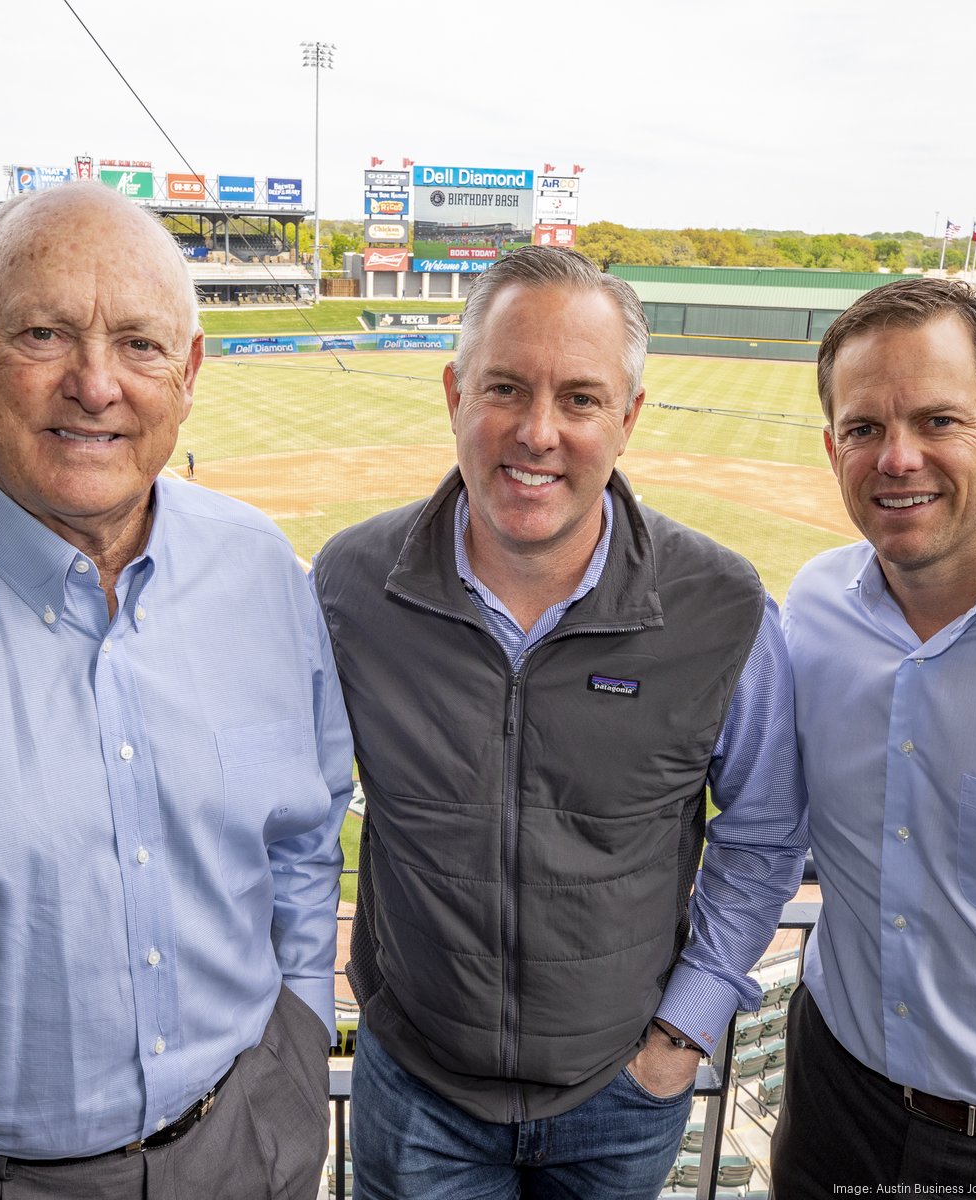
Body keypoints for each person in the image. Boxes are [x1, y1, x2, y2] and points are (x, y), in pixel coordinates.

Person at [0, 182, 353, 1200]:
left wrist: (296, 1037)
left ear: (189, 372)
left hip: (240, 1147)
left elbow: (302, 834)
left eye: (142, 345)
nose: (97, 385)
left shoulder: (260, 573)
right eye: (45, 333)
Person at [313, 245, 807, 1199]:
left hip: (621, 1099)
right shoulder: (350, 584)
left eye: (580, 399)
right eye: (505, 387)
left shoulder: (721, 605)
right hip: (416, 1092)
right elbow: (287, 810)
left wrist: (680, 1036)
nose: (538, 432)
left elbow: (765, 833)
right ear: (455, 393)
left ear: (627, 419)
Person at [773, 276, 976, 1192]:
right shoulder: (814, 608)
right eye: (864, 429)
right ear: (833, 448)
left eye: (939, 421)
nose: (897, 458)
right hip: (835, 1101)